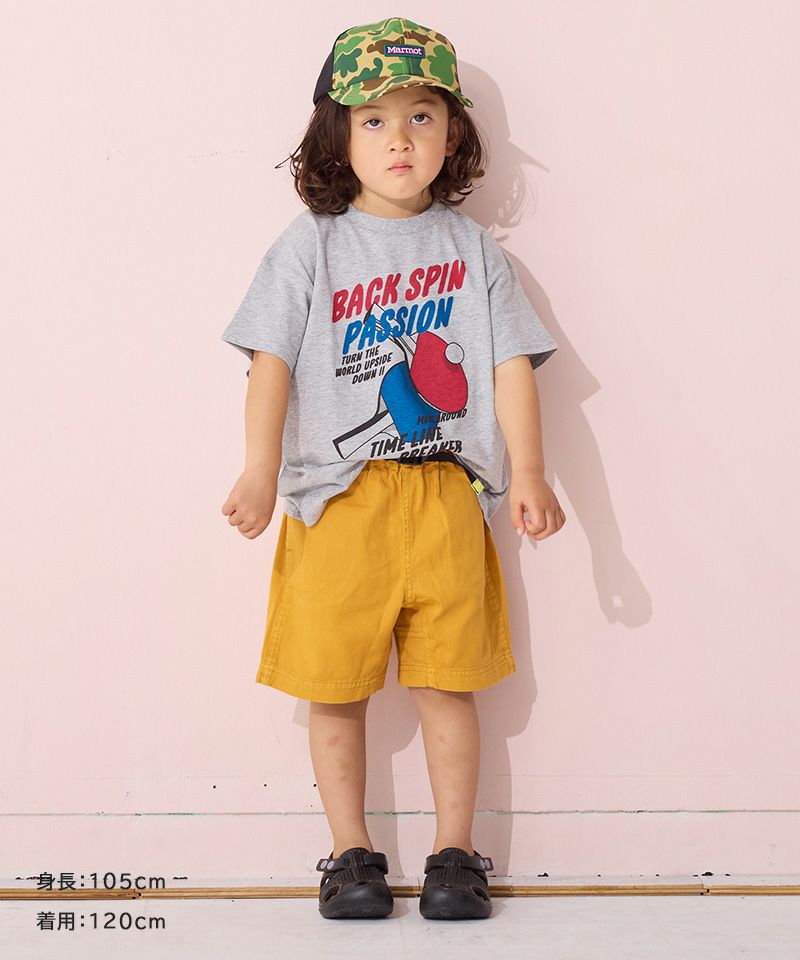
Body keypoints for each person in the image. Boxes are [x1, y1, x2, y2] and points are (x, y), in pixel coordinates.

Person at [220, 17, 566, 921]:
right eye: (373, 120)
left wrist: (531, 472)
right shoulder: (312, 244)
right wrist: (258, 469)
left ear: (453, 133)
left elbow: (510, 366)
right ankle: (349, 855)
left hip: (445, 493)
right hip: (339, 503)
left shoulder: (471, 250)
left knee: (450, 680)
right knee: (334, 687)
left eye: (421, 116)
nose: (400, 138)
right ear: (338, 134)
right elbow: (270, 361)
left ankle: (456, 854)